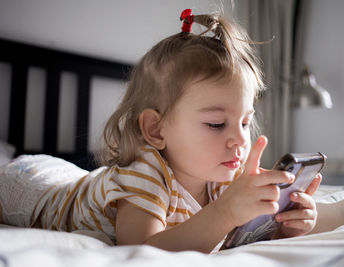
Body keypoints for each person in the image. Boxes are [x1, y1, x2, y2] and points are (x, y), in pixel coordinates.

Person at [0, 9, 322, 253]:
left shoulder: (227, 177)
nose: (239, 139)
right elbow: (144, 249)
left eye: (244, 122)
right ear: (156, 129)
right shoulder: (145, 173)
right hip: (33, 184)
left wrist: (282, 224)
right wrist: (225, 212)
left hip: (72, 177)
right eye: (215, 124)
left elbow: (238, 236)